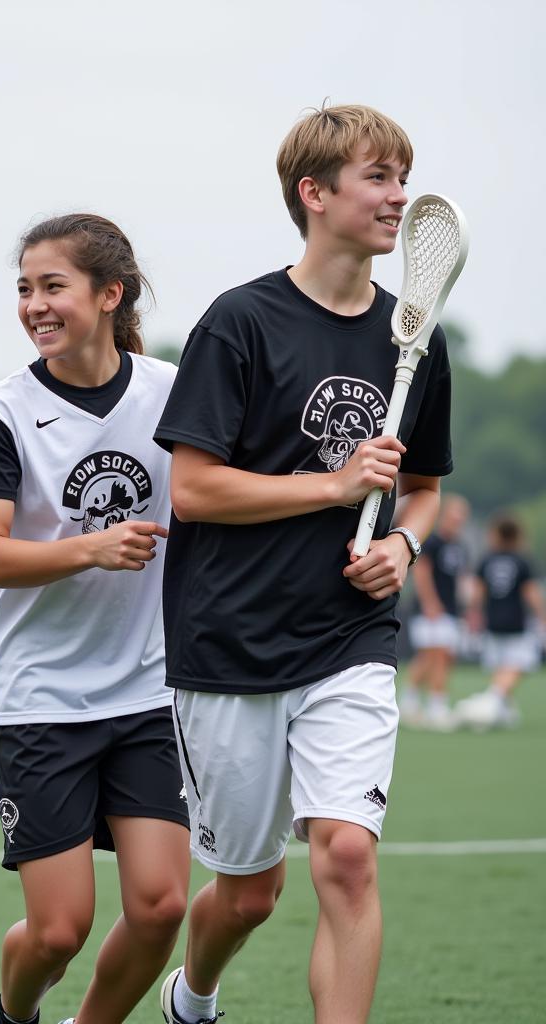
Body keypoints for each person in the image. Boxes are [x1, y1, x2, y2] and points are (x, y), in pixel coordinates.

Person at [154, 104, 452, 1024]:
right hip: (230, 643)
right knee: (247, 893)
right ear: (314, 194)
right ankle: (194, 994)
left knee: (348, 858)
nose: (398, 195)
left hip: (348, 639)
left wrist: (402, 544)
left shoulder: (415, 339)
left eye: (402, 177)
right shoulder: (238, 323)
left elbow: (429, 489)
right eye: (378, 177)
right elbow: (195, 491)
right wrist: (331, 490)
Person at [0, 214, 189, 1024]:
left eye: (52, 286)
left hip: (151, 695)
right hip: (41, 699)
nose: (34, 305)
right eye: (25, 288)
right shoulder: (3, 411)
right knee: (57, 932)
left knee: (160, 908)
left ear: (109, 294)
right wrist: (91, 549)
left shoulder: (171, 392)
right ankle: (13, 1016)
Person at [455, 513, 546, 730]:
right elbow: (531, 593)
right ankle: (492, 701)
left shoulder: (487, 559)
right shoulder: (523, 560)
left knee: (500, 664)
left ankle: (504, 708)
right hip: (516, 620)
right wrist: (542, 615)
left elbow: (477, 593)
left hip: (493, 619)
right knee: (520, 663)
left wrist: (472, 614)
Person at [399, 493, 470, 729]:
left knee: (433, 656)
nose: (458, 521)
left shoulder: (459, 546)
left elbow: (459, 579)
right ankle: (437, 707)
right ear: (444, 515)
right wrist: (430, 602)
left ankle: (409, 702)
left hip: (450, 609)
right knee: (438, 655)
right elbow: (422, 573)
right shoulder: (433, 541)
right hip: (431, 609)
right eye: (454, 515)